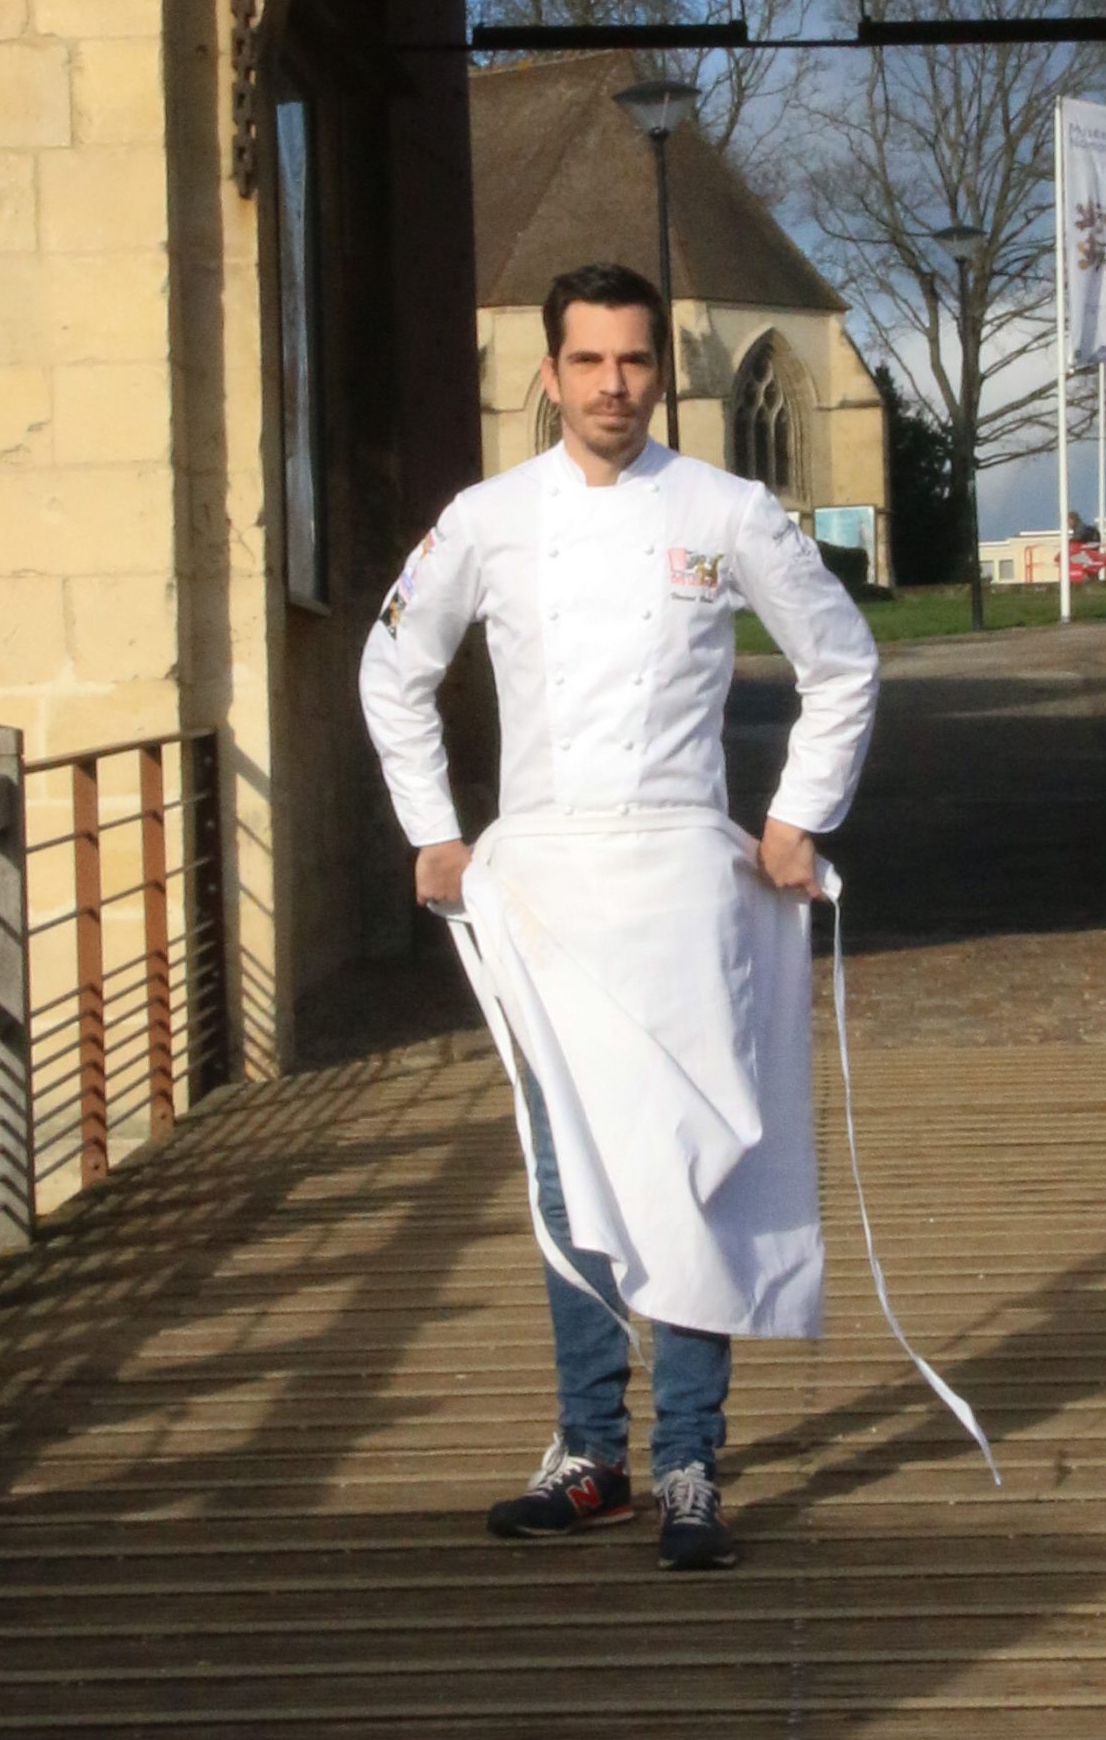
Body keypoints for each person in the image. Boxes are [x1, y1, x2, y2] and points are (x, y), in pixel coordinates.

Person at [359, 261, 879, 1571]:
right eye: (586, 362)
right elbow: (393, 668)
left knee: (686, 1163)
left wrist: (795, 814)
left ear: (662, 370)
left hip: (682, 881)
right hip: (540, 884)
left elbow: (842, 658)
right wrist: (436, 830)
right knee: (566, 1166)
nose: (612, 385)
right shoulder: (485, 520)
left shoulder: (726, 510)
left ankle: (692, 1462)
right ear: (548, 374)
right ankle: (593, 1450)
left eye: (634, 361)